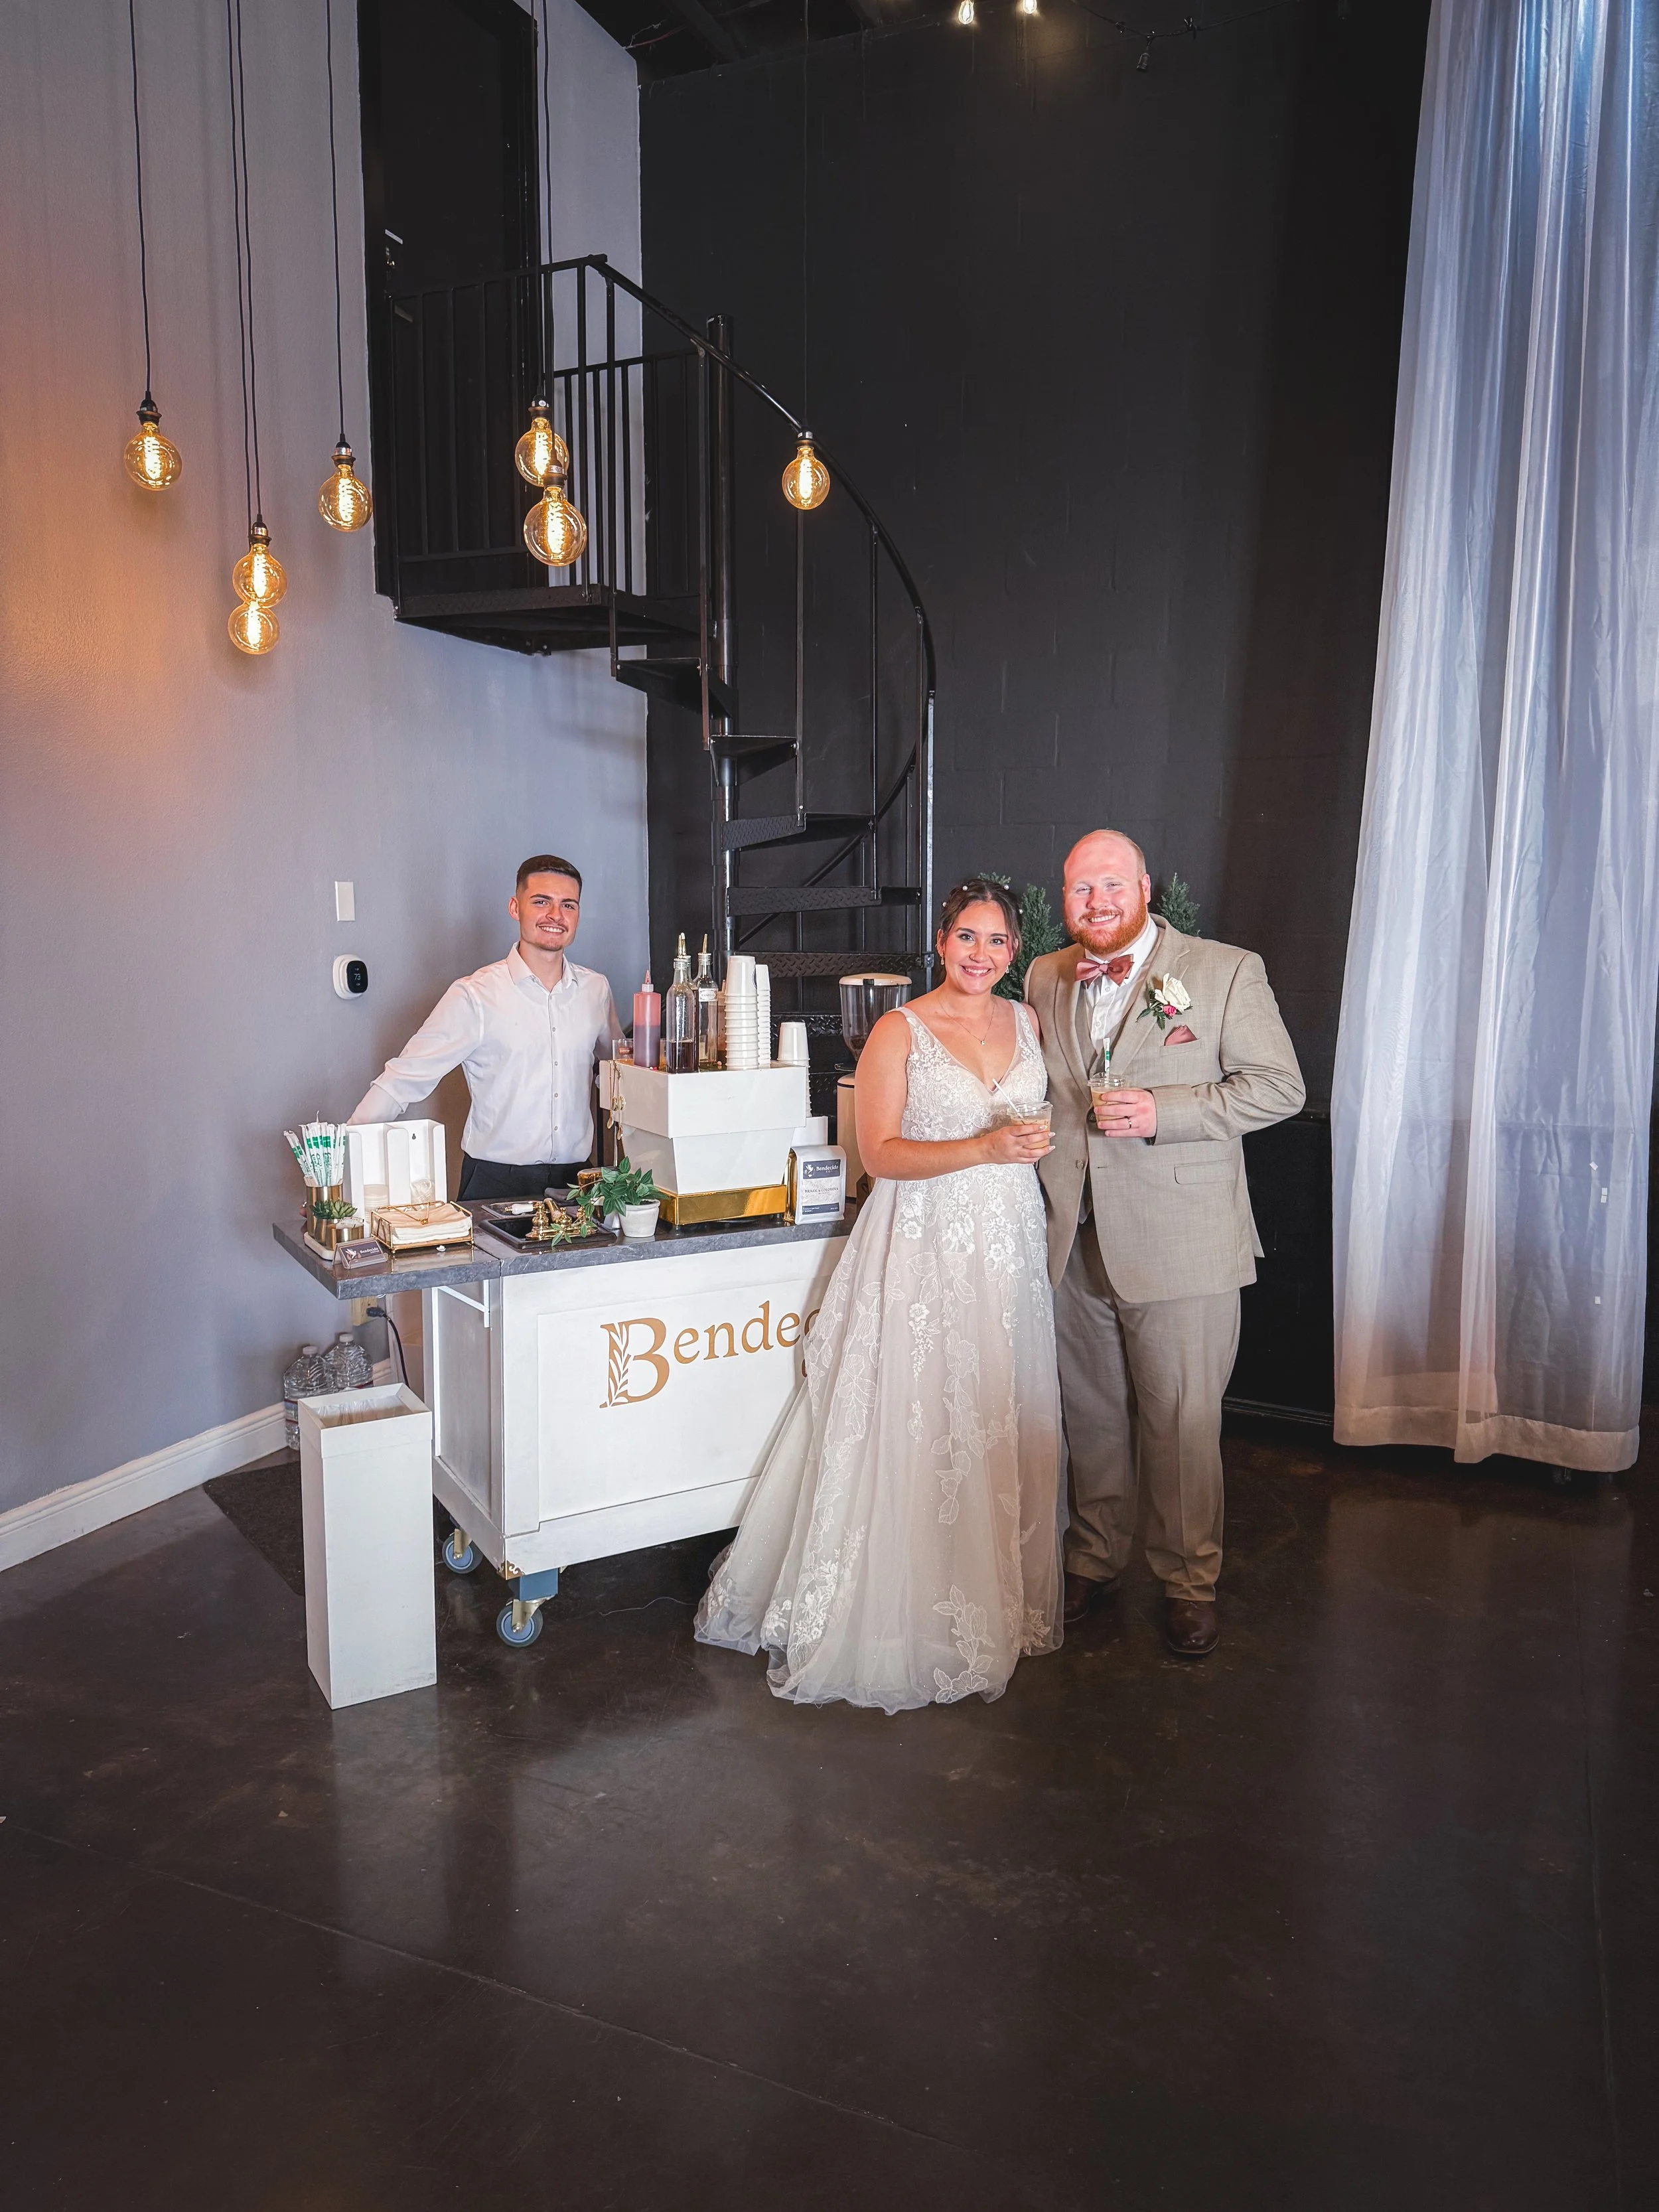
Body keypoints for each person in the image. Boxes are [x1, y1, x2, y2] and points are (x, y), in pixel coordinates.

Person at [695, 880, 1065, 1713]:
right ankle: (897, 1608)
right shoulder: (899, 1031)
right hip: (923, 1241)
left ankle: (985, 1599)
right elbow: (882, 1158)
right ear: (941, 942)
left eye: (998, 942)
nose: (981, 955)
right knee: (918, 1410)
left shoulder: (1027, 1022)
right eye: (966, 937)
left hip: (1005, 1242)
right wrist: (986, 1144)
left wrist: (1027, 1146)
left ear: (1013, 951)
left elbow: (1032, 1126)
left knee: (993, 1409)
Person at [1024, 829, 1305, 1658]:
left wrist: (1163, 1115)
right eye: (1080, 889)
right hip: (1073, 1235)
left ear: (1144, 887)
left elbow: (1280, 1087)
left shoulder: (1223, 970)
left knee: (1182, 1422)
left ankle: (1188, 1579)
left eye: (1111, 884)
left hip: (1183, 1240)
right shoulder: (1045, 975)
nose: (1096, 903)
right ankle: (1094, 1559)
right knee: (1093, 1416)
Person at [349, 853, 622, 1203]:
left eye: (568, 905)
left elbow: (618, 1071)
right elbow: (402, 1080)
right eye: (542, 902)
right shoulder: (474, 996)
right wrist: (342, 1173)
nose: (556, 915)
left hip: (577, 1185)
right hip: (494, 1184)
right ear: (515, 907)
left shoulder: (596, 990)